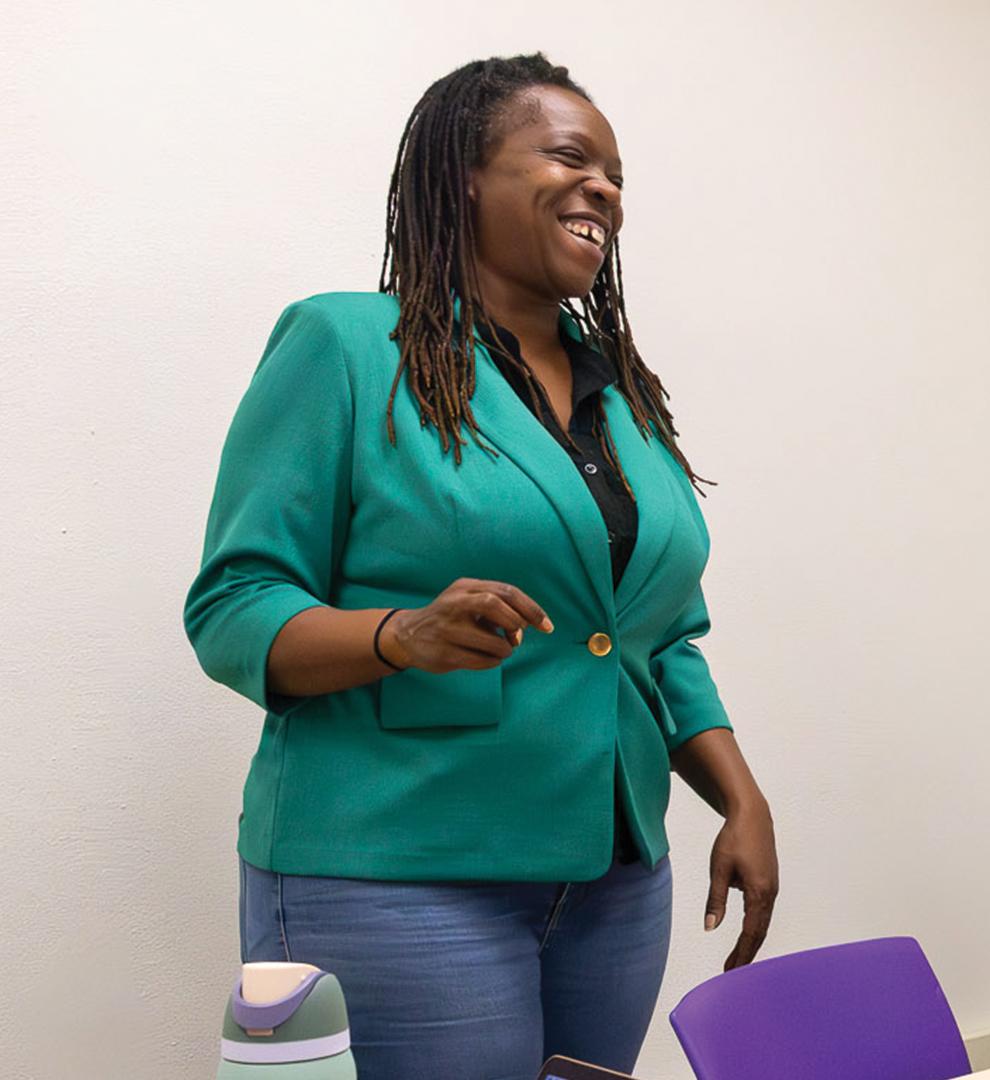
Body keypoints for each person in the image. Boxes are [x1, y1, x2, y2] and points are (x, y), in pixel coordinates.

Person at [183, 54, 777, 1079]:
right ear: (465, 171)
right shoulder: (349, 346)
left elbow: (658, 632)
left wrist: (741, 797)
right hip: (397, 871)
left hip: (615, 879)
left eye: (617, 176)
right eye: (569, 157)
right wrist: (395, 634)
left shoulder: (626, 398)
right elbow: (233, 608)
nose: (604, 190)